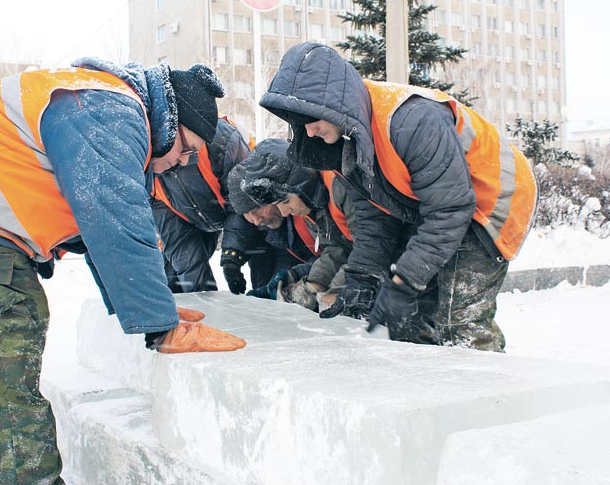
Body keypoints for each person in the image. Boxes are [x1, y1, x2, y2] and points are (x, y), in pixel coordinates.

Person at [0, 58, 246, 485]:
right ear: (171, 123)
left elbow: (95, 227)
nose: (182, 162)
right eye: (186, 149)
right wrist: (162, 327)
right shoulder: (113, 113)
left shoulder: (102, 101)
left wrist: (156, 312)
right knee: (6, 342)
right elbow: (115, 221)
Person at [259, 42, 538, 352]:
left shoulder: (412, 120)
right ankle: (432, 392)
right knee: (410, 319)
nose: (308, 132)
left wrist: (405, 281)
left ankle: (486, 393)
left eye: (312, 119)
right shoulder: (349, 145)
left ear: (329, 104)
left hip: (489, 199)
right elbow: (373, 217)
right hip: (435, 207)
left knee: (459, 322)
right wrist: (361, 279)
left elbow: (451, 209)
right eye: (301, 125)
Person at [227, 138, 358, 312]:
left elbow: (371, 248)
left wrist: (333, 293)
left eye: (285, 201)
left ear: (299, 185)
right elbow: (337, 249)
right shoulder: (310, 207)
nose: (284, 213)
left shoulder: (339, 188)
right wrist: (312, 285)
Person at [151, 114, 255, 293]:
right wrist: (203, 296)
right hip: (190, 219)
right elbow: (178, 238)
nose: (183, 160)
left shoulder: (222, 142)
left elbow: (241, 203)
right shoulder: (149, 176)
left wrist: (232, 254)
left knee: (263, 270)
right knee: (175, 283)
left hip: (251, 212)